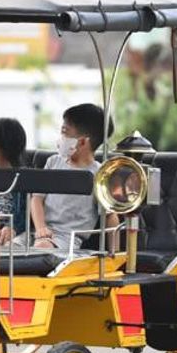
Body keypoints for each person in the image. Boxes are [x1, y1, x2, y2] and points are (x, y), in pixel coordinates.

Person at [24, 103, 116, 250]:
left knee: (41, 247)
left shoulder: (100, 175)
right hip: (37, 232)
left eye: (64, 133)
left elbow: (110, 216)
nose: (61, 138)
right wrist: (41, 228)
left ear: (83, 142)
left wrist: (114, 253)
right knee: (2, 247)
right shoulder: (53, 162)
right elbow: (37, 198)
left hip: (67, 239)